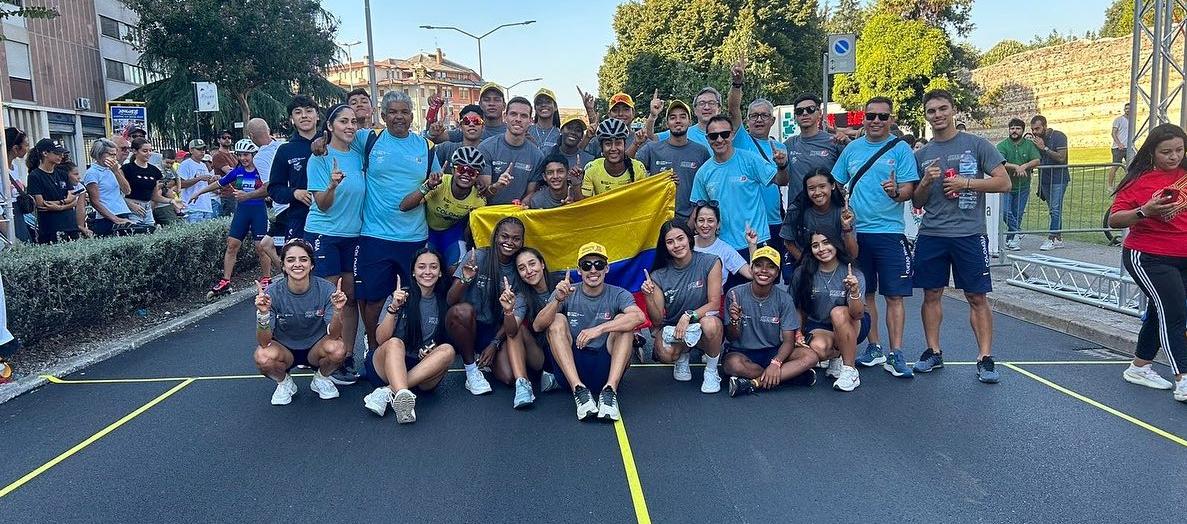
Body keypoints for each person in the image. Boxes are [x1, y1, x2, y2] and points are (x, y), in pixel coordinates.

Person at [911, 89, 1012, 383]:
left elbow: (1003, 183)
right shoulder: (922, 154)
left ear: (953, 110)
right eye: (932, 111)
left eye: (943, 108)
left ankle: (985, 357)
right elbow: (917, 202)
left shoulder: (977, 145)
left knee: (976, 296)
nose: (938, 115)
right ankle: (933, 351)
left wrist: (966, 183)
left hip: (969, 233)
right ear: (926, 116)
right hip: (932, 233)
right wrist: (927, 182)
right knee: (931, 294)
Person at [831, 96, 919, 378]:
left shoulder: (901, 149)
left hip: (890, 232)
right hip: (858, 233)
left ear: (891, 119)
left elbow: (909, 190)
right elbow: (837, 181)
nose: (877, 121)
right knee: (865, 293)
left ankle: (897, 353)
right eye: (871, 116)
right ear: (863, 118)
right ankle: (874, 346)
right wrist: (843, 206)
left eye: (883, 116)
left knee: (894, 296)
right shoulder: (853, 149)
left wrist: (895, 191)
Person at [351, 90, 439, 365]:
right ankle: (374, 348)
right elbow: (336, 137)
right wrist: (319, 140)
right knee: (374, 299)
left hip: (414, 237)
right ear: (383, 115)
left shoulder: (426, 147)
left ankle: (409, 350)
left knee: (413, 298)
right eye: (393, 112)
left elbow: (436, 184)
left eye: (404, 112)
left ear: (412, 116)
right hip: (374, 235)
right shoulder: (369, 139)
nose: (399, 117)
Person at [1107, 122, 1187, 401]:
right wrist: (1145, 211)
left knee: (1161, 310)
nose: (1174, 156)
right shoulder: (1138, 180)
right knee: (1176, 313)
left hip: (1183, 255)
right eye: (1166, 151)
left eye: (1179, 150)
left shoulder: (1185, 175)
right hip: (1148, 256)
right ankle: (1183, 377)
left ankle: (1139, 366)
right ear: (1152, 152)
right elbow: (1114, 219)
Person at [537, 242, 644, 421]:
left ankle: (610, 392)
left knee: (624, 324)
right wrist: (556, 300)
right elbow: (538, 326)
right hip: (572, 369)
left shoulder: (619, 293)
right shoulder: (567, 292)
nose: (593, 270)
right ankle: (579, 391)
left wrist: (599, 329)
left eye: (598, 264)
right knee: (556, 319)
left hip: (605, 366)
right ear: (579, 270)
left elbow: (639, 317)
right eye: (587, 265)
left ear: (607, 268)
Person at [306, 103, 366, 381]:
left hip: (353, 236)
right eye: (343, 121)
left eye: (353, 121)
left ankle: (347, 355)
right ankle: (327, 356)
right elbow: (323, 205)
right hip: (325, 234)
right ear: (330, 126)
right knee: (332, 299)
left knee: (351, 298)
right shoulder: (319, 157)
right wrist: (331, 185)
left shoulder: (358, 152)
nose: (350, 126)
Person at [362, 248, 457, 423]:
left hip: (421, 372)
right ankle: (401, 397)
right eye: (421, 267)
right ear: (413, 271)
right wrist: (394, 308)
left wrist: (430, 352)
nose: (427, 272)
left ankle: (389, 392)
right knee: (395, 342)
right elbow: (381, 339)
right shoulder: (400, 295)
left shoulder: (444, 300)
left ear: (441, 272)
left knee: (448, 350)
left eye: (433, 267)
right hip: (386, 365)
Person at [252, 239, 348, 405]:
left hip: (315, 348)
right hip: (285, 349)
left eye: (303, 259)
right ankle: (284, 383)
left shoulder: (327, 289)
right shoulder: (271, 293)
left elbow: (334, 334)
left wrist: (338, 309)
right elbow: (264, 341)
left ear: (311, 265)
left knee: (338, 349)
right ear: (283, 266)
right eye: (291, 260)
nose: (297, 264)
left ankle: (321, 378)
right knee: (262, 356)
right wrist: (263, 313)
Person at [640, 220, 725, 393]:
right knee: (663, 353)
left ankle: (711, 370)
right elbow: (657, 319)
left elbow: (714, 303)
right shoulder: (658, 275)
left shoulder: (711, 262)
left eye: (680, 239)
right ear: (665, 246)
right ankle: (682, 355)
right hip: (676, 329)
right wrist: (648, 297)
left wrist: (688, 316)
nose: (677, 245)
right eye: (670, 242)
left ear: (689, 238)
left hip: (701, 324)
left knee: (711, 324)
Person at [445, 217, 525, 396]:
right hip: (465, 323)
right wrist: (465, 278)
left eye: (516, 238)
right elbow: (451, 300)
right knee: (462, 311)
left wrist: (494, 343)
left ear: (522, 241)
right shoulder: (478, 256)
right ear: (495, 236)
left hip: (492, 330)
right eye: (505, 236)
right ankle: (471, 370)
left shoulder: (519, 267)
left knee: (509, 377)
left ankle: (482, 354)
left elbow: (515, 313)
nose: (509, 242)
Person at [690, 115, 789, 257]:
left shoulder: (749, 159)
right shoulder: (703, 172)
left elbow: (781, 181)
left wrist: (782, 165)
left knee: (759, 279)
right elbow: (699, 209)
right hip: (722, 247)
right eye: (713, 136)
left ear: (731, 135)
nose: (719, 140)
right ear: (707, 139)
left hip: (756, 240)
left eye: (724, 134)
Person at [721, 246, 814, 396]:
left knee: (810, 356)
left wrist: (776, 363)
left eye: (771, 267)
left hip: (772, 351)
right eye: (758, 265)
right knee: (732, 365)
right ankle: (788, 377)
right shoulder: (734, 294)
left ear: (777, 273)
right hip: (742, 352)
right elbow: (731, 337)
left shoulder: (784, 299)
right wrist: (734, 321)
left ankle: (753, 383)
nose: (764, 270)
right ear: (751, 269)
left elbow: (789, 341)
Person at [188, 139, 275, 297]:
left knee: (261, 247)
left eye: (246, 154)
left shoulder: (262, 171)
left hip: (258, 212)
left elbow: (269, 188)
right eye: (240, 155)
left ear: (253, 154)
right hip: (242, 212)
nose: (243, 158)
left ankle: (267, 278)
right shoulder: (238, 171)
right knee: (232, 245)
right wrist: (199, 192)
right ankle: (225, 281)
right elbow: (219, 183)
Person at [789, 232, 872, 393]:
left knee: (838, 313)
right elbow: (797, 307)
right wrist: (798, 332)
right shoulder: (802, 272)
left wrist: (854, 291)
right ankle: (837, 356)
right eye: (815, 245)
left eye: (826, 242)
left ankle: (850, 370)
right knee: (817, 348)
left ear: (836, 244)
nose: (821, 249)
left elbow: (857, 314)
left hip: (854, 323)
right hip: (820, 325)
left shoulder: (852, 272)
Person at [403, 146, 487, 268]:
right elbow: (404, 206)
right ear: (452, 170)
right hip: (427, 231)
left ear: (477, 176)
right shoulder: (439, 184)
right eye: (461, 169)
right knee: (425, 267)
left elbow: (471, 229)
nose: (466, 174)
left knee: (458, 269)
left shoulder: (478, 199)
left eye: (472, 172)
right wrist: (428, 186)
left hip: (452, 234)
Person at [635, 99, 711, 224]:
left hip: (689, 222)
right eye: (673, 117)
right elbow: (630, 170)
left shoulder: (701, 152)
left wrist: (696, 219)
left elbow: (708, 187)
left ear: (689, 122)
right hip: (656, 221)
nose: (678, 121)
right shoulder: (652, 149)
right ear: (667, 123)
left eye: (683, 117)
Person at [268, 95, 320, 242]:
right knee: (298, 264)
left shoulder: (332, 144)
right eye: (298, 112)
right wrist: (295, 193)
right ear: (292, 119)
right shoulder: (285, 150)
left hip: (335, 219)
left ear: (317, 116)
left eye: (309, 111)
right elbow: (274, 189)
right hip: (300, 218)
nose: (304, 116)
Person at [511, 247, 562, 395]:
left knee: (559, 320)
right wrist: (508, 311)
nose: (528, 271)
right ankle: (522, 385)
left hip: (566, 348)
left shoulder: (561, 283)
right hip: (540, 356)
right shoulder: (522, 296)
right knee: (516, 329)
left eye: (532, 264)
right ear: (519, 275)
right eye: (522, 268)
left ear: (542, 264)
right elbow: (512, 329)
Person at [780, 169, 857, 265]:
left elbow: (852, 254)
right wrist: (807, 266)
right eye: (811, 188)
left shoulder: (844, 212)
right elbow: (788, 242)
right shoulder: (797, 210)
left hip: (838, 265)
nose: (817, 192)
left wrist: (847, 228)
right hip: (807, 264)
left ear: (832, 186)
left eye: (822, 186)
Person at [477, 96, 544, 205]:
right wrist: (497, 186)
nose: (518, 119)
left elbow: (531, 193)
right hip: (487, 216)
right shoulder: (486, 147)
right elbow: (481, 194)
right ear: (505, 117)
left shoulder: (537, 156)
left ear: (530, 121)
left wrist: (523, 203)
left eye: (524, 116)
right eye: (513, 114)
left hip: (518, 216)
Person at [783, 94, 843, 213]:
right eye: (800, 111)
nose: (805, 113)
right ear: (795, 116)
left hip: (828, 213)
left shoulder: (835, 142)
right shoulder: (788, 144)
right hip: (797, 213)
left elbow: (852, 169)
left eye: (810, 109)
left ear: (819, 113)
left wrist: (847, 139)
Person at [996, 118, 1043, 250]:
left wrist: (1024, 166)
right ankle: (1018, 231)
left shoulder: (1029, 145)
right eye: (1012, 128)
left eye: (1017, 128)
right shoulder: (1002, 145)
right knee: (1005, 211)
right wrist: (1016, 167)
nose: (1014, 131)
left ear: (1022, 130)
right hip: (1006, 186)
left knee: (1017, 214)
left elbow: (1037, 160)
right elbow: (1001, 162)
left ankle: (1012, 240)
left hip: (1023, 186)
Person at [25, 140, 81, 243]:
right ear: (45, 153)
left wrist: (60, 205)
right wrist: (65, 201)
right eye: (56, 153)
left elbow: (73, 198)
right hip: (50, 227)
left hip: (70, 224)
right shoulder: (35, 176)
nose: (60, 156)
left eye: (61, 153)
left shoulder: (62, 174)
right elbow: (41, 204)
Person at [577, 119, 647, 199]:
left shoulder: (638, 168)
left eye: (618, 143)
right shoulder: (591, 168)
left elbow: (644, 200)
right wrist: (576, 184)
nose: (613, 148)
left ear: (625, 145)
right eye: (608, 144)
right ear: (601, 147)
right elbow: (584, 204)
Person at [691, 201, 756, 285]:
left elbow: (751, 274)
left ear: (718, 224)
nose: (705, 225)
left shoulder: (725, 249)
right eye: (701, 220)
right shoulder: (687, 245)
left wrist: (752, 245)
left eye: (710, 221)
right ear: (695, 224)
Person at [1030, 115, 1069, 251]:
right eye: (1032, 129)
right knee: (1053, 210)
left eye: (1037, 128)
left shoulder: (1059, 136)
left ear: (1045, 126)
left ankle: (1052, 238)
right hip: (1045, 179)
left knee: (1055, 208)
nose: (1034, 132)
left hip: (1059, 178)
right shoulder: (1036, 140)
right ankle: (1058, 238)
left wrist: (1044, 148)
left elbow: (1061, 158)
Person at [123, 138, 180, 231]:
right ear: (134, 151)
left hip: (147, 208)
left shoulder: (154, 171)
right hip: (132, 208)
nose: (149, 153)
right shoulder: (127, 169)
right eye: (145, 151)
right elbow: (118, 193)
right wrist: (130, 204)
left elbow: (154, 196)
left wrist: (171, 201)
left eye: (150, 150)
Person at [83, 138, 135, 236]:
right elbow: (95, 202)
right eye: (110, 154)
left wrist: (116, 172)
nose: (113, 157)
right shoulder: (92, 173)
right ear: (99, 155)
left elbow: (127, 190)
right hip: (106, 217)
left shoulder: (115, 169)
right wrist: (115, 219)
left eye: (114, 154)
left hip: (122, 211)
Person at [656, 87, 725, 149]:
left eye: (711, 103)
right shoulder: (682, 132)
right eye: (702, 103)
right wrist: (653, 116)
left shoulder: (728, 134)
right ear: (695, 110)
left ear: (719, 109)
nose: (706, 107)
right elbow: (651, 138)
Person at [434, 104, 483, 173]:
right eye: (466, 121)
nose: (471, 124)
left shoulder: (490, 151)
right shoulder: (446, 149)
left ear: (483, 126)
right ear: (460, 127)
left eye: (476, 121)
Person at [178, 139, 217, 223]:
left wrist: (213, 179)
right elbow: (180, 184)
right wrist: (199, 178)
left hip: (206, 206)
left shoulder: (203, 165)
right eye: (199, 149)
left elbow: (206, 182)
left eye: (203, 149)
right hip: (192, 207)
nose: (202, 152)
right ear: (191, 150)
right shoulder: (186, 164)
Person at [5, 127, 32, 242]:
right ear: (15, 148)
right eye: (26, 145)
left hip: (19, 215)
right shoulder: (2, 172)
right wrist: (10, 236)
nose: (27, 148)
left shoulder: (14, 168)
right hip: (7, 217)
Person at [211, 130, 238, 218]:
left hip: (238, 192)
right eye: (224, 137)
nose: (227, 139)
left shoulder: (234, 156)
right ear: (218, 140)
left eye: (229, 137)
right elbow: (230, 173)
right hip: (227, 194)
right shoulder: (218, 155)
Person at [1108, 102, 1132, 189]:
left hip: (1128, 148)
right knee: (1115, 167)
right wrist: (1119, 144)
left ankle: (1129, 185)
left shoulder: (1132, 120)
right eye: (1126, 108)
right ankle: (1110, 186)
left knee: (1131, 167)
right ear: (1124, 110)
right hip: (1118, 148)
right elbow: (1113, 133)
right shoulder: (1118, 120)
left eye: (1129, 108)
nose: (1128, 110)